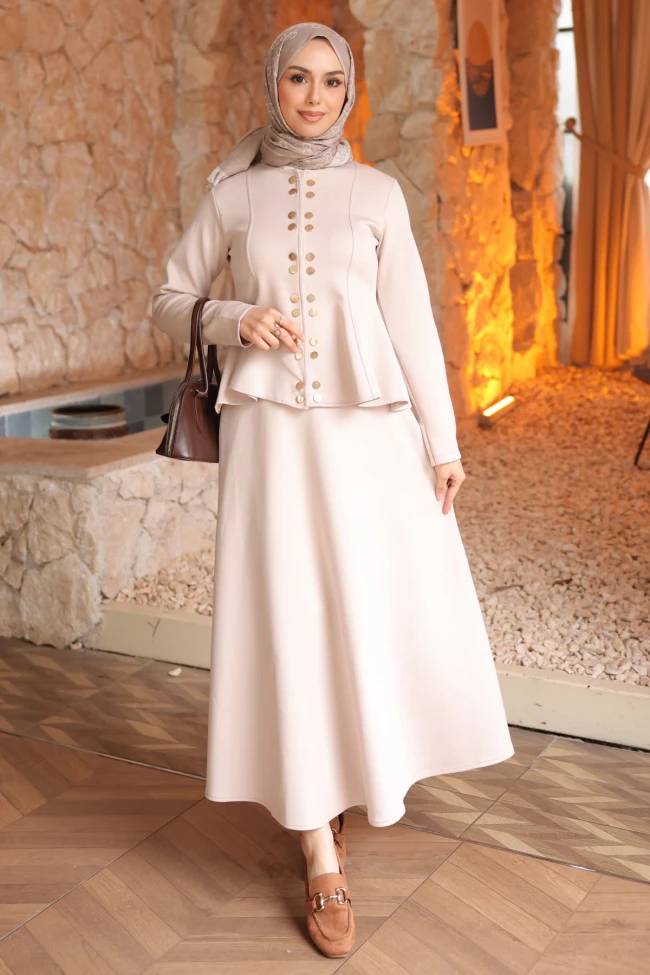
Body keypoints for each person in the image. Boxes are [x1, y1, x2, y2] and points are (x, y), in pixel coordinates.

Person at [152, 21, 514, 959]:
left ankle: (359, 773)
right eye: (298, 80)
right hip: (271, 440)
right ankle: (319, 850)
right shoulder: (232, 194)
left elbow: (412, 323)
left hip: (371, 438)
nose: (314, 97)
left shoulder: (380, 193)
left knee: (367, 612)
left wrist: (442, 441)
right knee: (289, 618)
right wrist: (235, 316)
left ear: (350, 92)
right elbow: (168, 298)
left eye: (331, 82)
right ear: (274, 85)